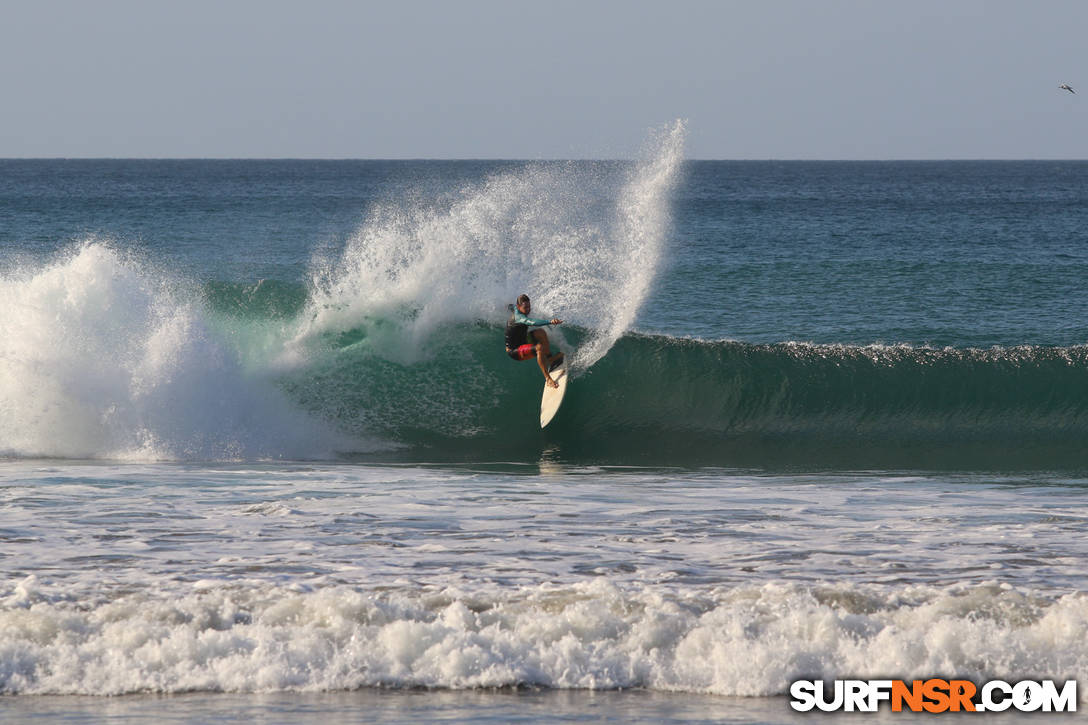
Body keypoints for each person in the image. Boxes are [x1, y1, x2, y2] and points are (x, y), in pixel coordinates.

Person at [505, 294, 564, 387]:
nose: (528, 309)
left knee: (541, 332)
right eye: (525, 307)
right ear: (519, 307)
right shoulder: (520, 318)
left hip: (523, 339)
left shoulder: (516, 309)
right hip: (515, 350)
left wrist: (506, 306)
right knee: (539, 348)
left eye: (529, 306)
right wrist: (550, 322)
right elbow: (532, 322)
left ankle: (550, 359)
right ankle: (548, 379)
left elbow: (511, 306)